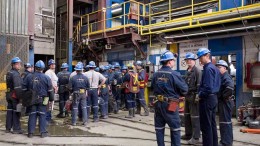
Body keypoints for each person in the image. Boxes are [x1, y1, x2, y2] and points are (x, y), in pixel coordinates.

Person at [151, 51, 188, 146]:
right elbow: (185, 90)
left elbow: (152, 88)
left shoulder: (155, 74)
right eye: (173, 60)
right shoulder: (174, 74)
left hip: (158, 104)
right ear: (169, 61)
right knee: (175, 129)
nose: (174, 62)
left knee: (159, 129)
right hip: (171, 104)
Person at [22, 60, 54, 138]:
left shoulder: (29, 76)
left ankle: (30, 133)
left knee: (32, 115)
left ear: (35, 67)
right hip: (43, 99)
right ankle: (43, 133)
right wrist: (51, 99)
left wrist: (25, 99)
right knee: (42, 115)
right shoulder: (46, 78)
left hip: (32, 99)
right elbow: (50, 90)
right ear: (43, 68)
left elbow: (23, 88)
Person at [197, 48, 221, 146]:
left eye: (201, 57)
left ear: (207, 56)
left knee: (206, 126)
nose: (199, 60)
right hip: (213, 98)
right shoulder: (215, 68)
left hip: (207, 100)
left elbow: (208, 87)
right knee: (212, 124)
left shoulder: (208, 68)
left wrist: (199, 95)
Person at [182, 52, 202, 145]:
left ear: (194, 61)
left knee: (195, 117)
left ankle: (196, 137)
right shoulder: (187, 71)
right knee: (186, 116)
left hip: (194, 97)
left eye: (190, 60)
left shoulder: (197, 71)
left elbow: (199, 85)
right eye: (187, 60)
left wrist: (197, 97)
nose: (188, 61)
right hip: (187, 97)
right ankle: (188, 134)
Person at [216, 60, 234, 146]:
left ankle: (226, 142)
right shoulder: (221, 77)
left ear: (225, 68)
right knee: (225, 122)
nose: (218, 69)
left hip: (225, 102)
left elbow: (230, 88)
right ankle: (227, 141)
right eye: (217, 67)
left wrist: (222, 96)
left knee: (225, 122)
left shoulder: (226, 77)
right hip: (223, 102)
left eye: (219, 67)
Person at [5, 57, 24, 134]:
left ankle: (8, 128)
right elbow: (17, 87)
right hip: (14, 95)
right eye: (18, 64)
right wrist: (20, 98)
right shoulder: (16, 74)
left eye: (19, 64)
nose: (19, 65)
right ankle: (16, 129)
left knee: (9, 112)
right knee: (16, 112)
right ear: (13, 65)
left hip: (9, 95)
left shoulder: (9, 73)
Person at [45, 59, 58, 124]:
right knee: (48, 105)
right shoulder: (48, 72)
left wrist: (56, 87)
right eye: (52, 64)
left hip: (53, 90)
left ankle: (49, 118)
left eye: (54, 64)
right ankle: (47, 119)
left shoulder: (52, 72)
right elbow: (48, 81)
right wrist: (53, 86)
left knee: (51, 105)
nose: (53, 65)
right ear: (49, 65)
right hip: (49, 91)